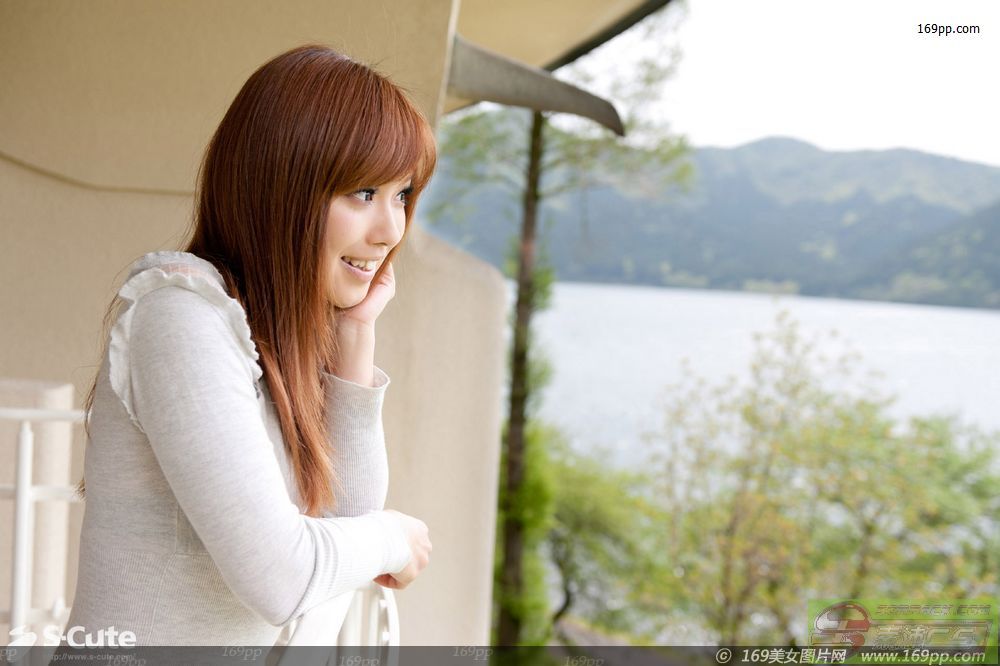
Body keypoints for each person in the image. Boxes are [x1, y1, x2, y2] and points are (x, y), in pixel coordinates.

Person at [62, 44, 436, 647]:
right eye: (364, 192)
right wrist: (394, 537)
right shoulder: (180, 315)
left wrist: (356, 331)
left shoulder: (274, 338)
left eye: (403, 194)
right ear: (281, 186)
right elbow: (281, 577)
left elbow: (345, 520)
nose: (391, 230)